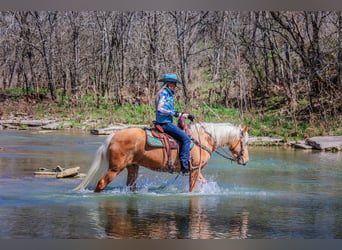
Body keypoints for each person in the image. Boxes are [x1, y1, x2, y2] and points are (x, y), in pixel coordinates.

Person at [155, 73, 195, 174]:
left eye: (175, 83)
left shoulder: (168, 94)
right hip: (165, 123)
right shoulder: (164, 93)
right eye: (173, 83)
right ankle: (184, 165)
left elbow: (169, 110)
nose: (175, 85)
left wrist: (184, 115)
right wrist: (175, 114)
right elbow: (160, 109)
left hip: (166, 121)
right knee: (186, 139)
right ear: (168, 83)